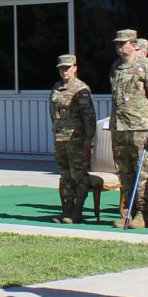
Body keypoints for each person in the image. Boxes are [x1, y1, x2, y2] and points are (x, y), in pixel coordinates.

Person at [109, 29, 148, 229]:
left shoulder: (145, 66)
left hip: (140, 128)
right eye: (117, 44)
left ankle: (144, 214)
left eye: (123, 43)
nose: (119, 47)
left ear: (134, 45)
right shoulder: (116, 67)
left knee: (142, 173)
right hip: (120, 128)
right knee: (124, 173)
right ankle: (130, 212)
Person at [49, 54, 95, 223]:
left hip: (76, 139)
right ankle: (66, 209)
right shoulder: (56, 88)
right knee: (65, 175)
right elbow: (53, 114)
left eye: (67, 67)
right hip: (60, 138)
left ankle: (77, 211)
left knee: (78, 175)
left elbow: (89, 117)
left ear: (75, 68)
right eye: (61, 68)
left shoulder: (81, 89)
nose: (64, 71)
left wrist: (88, 139)